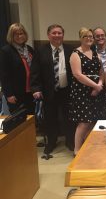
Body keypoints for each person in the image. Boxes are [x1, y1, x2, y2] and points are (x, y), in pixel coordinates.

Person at [31, 24, 75, 154]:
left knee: (68, 117)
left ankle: (70, 140)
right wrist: (35, 88)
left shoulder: (70, 50)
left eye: (59, 33)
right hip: (48, 90)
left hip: (67, 90)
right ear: (48, 35)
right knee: (50, 118)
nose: (57, 35)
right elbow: (35, 72)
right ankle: (51, 141)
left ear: (63, 35)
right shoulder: (40, 51)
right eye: (54, 33)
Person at [69, 27, 106, 155]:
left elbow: (102, 72)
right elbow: (77, 74)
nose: (89, 39)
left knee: (93, 121)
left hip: (96, 90)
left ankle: (87, 147)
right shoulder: (75, 54)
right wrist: (95, 86)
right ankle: (77, 149)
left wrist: (100, 84)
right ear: (81, 38)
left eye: (91, 36)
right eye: (86, 37)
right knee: (84, 122)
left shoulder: (95, 53)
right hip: (82, 91)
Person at [0, 23, 35, 114]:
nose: (19, 36)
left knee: (31, 119)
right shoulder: (6, 51)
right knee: (20, 121)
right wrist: (9, 94)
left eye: (21, 33)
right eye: (16, 34)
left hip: (31, 92)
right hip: (16, 93)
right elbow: (4, 75)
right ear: (11, 36)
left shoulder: (30, 49)